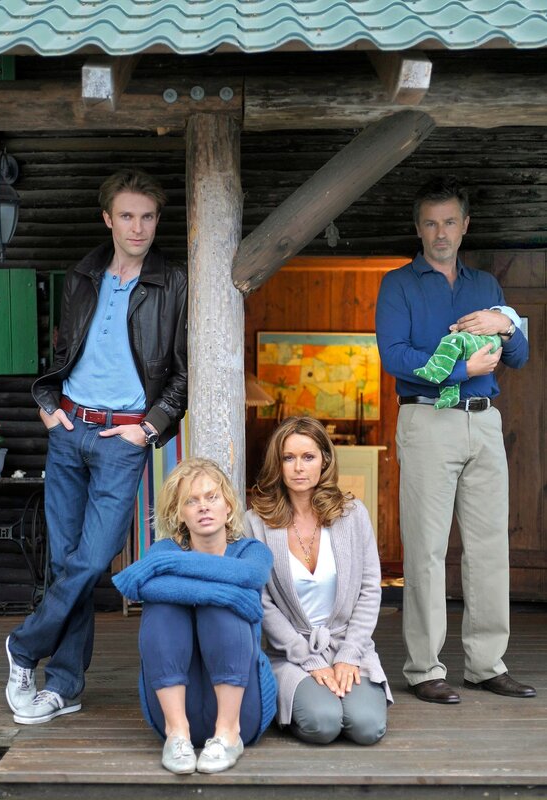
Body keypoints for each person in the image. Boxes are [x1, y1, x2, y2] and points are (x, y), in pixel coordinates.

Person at [5, 169, 188, 725]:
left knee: (89, 560)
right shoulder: (83, 275)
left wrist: (148, 429)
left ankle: (23, 646)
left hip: (122, 439)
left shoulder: (173, 282)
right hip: (68, 429)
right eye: (127, 216)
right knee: (67, 563)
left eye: (148, 217)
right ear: (108, 218)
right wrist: (48, 406)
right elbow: (64, 352)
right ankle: (63, 687)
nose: (138, 228)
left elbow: (183, 372)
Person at [375, 175, 535, 704]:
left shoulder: (486, 286)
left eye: (449, 222)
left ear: (465, 225)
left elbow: (519, 356)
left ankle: (486, 665)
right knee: (426, 549)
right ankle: (425, 669)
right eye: (430, 223)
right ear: (418, 228)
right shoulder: (398, 284)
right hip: (427, 420)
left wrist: (503, 324)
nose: (440, 233)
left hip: (484, 422)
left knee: (490, 547)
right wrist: (461, 369)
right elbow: (394, 356)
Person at [112, 458, 276, 775]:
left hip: (241, 710)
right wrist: (228, 593)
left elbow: (251, 575)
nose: (203, 507)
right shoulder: (164, 551)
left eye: (212, 497)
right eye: (191, 501)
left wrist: (166, 570)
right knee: (164, 606)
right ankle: (177, 735)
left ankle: (227, 736)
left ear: (228, 506)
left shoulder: (250, 551)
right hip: (175, 711)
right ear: (179, 514)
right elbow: (143, 588)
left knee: (218, 606)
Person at [244, 416, 392, 746]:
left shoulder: (352, 514)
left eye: (308, 457)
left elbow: (370, 589)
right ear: (277, 463)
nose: (299, 467)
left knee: (366, 727)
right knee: (323, 725)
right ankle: (297, 702)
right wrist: (307, 658)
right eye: (289, 458)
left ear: (324, 460)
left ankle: (338, 693)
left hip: (347, 644)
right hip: (291, 651)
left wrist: (348, 654)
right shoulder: (255, 522)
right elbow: (261, 601)